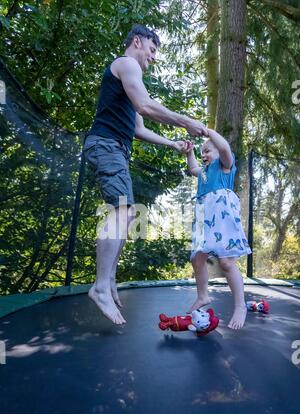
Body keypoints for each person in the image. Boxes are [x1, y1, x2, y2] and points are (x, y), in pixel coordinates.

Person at [83, 24, 208, 324]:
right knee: (123, 211)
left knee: (126, 215)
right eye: (151, 50)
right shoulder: (126, 64)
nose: (153, 58)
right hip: (106, 145)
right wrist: (185, 121)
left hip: (116, 148)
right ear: (137, 42)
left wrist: (173, 143)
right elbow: (146, 105)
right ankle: (100, 286)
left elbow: (138, 127)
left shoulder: (130, 78)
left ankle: (108, 280)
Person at [184, 129, 251, 329]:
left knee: (227, 262)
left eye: (207, 151)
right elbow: (193, 168)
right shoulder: (204, 172)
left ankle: (240, 306)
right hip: (205, 216)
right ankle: (203, 297)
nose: (204, 155)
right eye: (202, 152)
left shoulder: (225, 166)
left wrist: (207, 132)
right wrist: (189, 153)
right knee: (197, 258)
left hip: (222, 217)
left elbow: (223, 147)